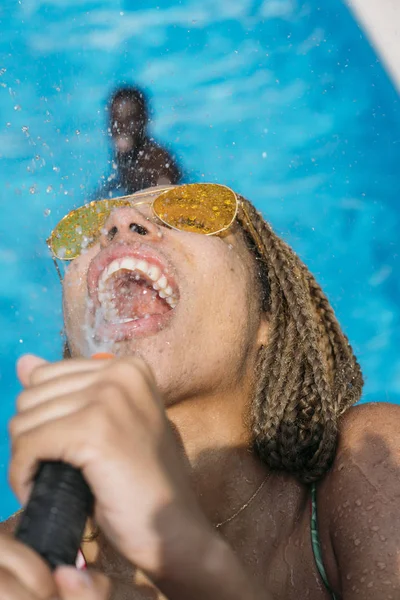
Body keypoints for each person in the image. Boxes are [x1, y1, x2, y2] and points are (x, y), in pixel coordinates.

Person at [0, 182, 399, 600]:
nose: (119, 223)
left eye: (192, 212)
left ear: (267, 316)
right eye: (90, 226)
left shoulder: (369, 462)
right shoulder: (17, 561)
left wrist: (183, 554)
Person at [99, 87, 182, 197]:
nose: (121, 128)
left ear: (145, 120)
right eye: (116, 121)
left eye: (130, 121)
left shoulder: (159, 164)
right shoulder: (125, 154)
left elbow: (167, 203)